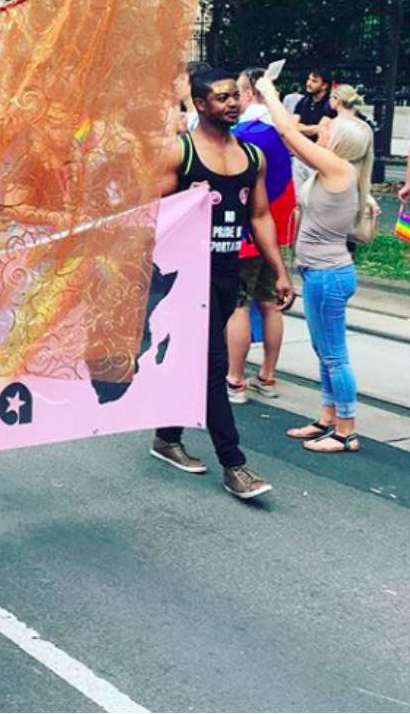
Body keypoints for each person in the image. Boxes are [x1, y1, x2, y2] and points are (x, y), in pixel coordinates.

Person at [150, 67, 294, 500]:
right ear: (199, 104)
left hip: (228, 273)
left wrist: (281, 270)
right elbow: (148, 213)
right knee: (213, 365)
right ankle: (235, 465)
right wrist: (181, 200)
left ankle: (165, 437)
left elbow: (261, 216)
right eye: (221, 97)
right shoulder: (179, 153)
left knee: (196, 361)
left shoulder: (253, 157)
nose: (232, 102)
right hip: (185, 277)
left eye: (235, 95)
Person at [255, 74, 372, 453]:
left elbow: (290, 134)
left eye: (329, 126)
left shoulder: (339, 170)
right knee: (326, 352)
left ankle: (346, 431)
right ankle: (327, 418)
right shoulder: (337, 172)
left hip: (328, 276)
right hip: (323, 274)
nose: (323, 126)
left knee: (335, 354)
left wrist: (269, 92)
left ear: (340, 142)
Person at [225, 68, 297, 403]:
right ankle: (267, 376)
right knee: (270, 304)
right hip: (276, 231)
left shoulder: (241, 135)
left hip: (245, 234)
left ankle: (235, 381)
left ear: (248, 95)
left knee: (239, 305)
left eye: (236, 93)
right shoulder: (282, 133)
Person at [294, 68, 337, 140]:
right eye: (309, 79)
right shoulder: (303, 101)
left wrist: (300, 127)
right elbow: (292, 125)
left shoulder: (331, 104)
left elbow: (321, 130)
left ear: (324, 86)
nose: (308, 83)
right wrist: (313, 128)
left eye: (314, 81)